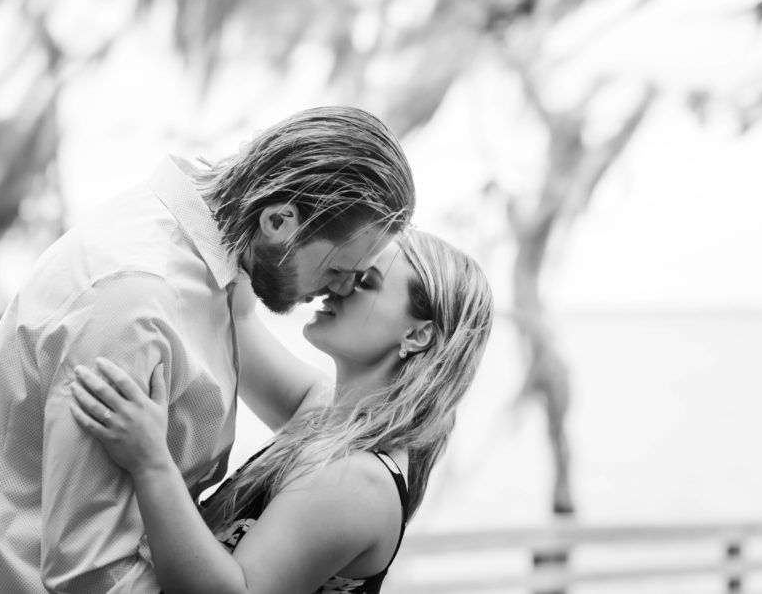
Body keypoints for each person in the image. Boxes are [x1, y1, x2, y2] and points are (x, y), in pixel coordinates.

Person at [0, 106, 416, 593]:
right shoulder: (136, 303)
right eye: (337, 270)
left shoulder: (214, 267)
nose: (336, 290)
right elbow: (92, 575)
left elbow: (312, 401)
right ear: (279, 221)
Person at [68, 230, 493, 594]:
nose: (339, 286)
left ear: (417, 335)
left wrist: (150, 463)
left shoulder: (360, 481)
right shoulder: (325, 411)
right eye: (345, 268)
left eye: (365, 279)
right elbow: (238, 320)